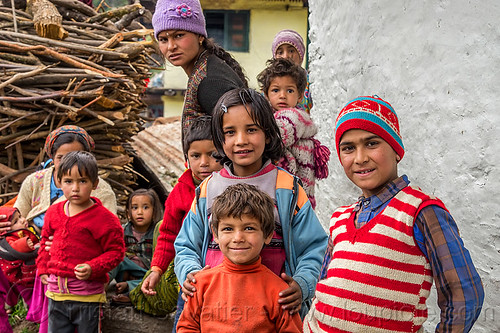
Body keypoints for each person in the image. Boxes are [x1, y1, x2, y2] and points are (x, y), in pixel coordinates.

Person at [303, 96, 484, 332]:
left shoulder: (421, 211)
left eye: (371, 143)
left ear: (396, 150)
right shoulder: (340, 217)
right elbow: (324, 284)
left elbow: (464, 295)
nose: (360, 158)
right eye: (348, 148)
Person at [175, 88, 328, 321]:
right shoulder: (208, 190)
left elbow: (314, 246)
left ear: (267, 134)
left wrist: (302, 283)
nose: (241, 140)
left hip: (271, 314)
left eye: (251, 130)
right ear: (220, 139)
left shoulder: (287, 189)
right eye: (230, 132)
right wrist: (190, 273)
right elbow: (186, 244)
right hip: (216, 312)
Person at [0, 125, 117, 333]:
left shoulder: (101, 191)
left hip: (78, 262)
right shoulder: (35, 181)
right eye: (61, 157)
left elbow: (110, 240)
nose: (68, 163)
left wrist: (67, 244)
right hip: (32, 252)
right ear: (52, 157)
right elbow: (17, 214)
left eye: (76, 155)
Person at [177, 183, 303, 332]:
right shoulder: (201, 284)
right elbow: (187, 327)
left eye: (249, 228)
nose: (238, 238)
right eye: (228, 229)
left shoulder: (280, 292)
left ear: (268, 234)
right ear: (215, 234)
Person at [135, 116, 222, 320]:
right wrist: (157, 269)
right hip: (189, 275)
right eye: (195, 156)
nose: (204, 163)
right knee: (185, 319)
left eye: (212, 155)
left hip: (221, 273)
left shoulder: (229, 187)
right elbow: (168, 234)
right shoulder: (181, 192)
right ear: (186, 158)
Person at [36, 151, 125, 333]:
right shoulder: (54, 212)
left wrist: (93, 267)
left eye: (82, 181)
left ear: (95, 184)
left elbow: (116, 252)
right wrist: (43, 268)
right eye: (69, 181)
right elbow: (45, 240)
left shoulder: (104, 219)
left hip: (87, 296)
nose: (75, 188)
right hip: (56, 294)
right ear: (59, 182)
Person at [152, 0, 248, 150]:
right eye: (163, 39)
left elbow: (240, 141)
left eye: (179, 35)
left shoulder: (209, 81)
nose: (171, 46)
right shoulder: (204, 69)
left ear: (200, 36)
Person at [257, 58, 330, 209]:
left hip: (296, 196)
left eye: (289, 90)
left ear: (300, 96)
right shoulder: (272, 116)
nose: (282, 95)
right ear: (265, 94)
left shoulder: (294, 117)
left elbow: (275, 137)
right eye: (276, 90)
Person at [109, 188, 163, 303]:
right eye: (135, 208)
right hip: (125, 270)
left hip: (146, 273)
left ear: (154, 211)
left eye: (145, 207)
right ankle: (101, 284)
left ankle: (128, 288)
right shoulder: (122, 231)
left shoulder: (157, 233)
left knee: (156, 280)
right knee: (116, 257)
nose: (139, 212)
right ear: (128, 213)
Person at [272, 29, 313, 114]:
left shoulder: (310, 83)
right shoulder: (269, 81)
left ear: (300, 55)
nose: (285, 56)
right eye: (280, 52)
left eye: (291, 51)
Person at [0, 207, 38, 287]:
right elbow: (13, 248)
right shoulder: (9, 239)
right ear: (6, 229)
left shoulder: (24, 230)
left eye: (20, 216)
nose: (23, 220)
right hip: (21, 276)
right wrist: (24, 244)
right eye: (16, 221)